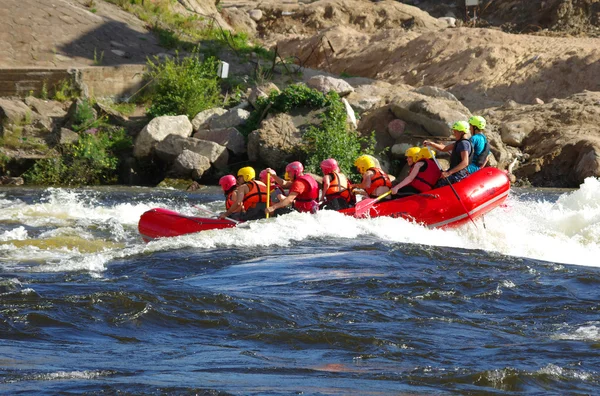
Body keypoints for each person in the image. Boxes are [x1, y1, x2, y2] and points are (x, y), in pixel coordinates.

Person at [423, 120, 473, 187]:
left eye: (455, 131)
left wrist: (449, 173)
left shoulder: (463, 144)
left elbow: (465, 162)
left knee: (438, 185)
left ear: (462, 132)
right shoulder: (459, 142)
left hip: (458, 174)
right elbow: (444, 148)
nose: (454, 134)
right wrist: (431, 144)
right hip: (455, 172)